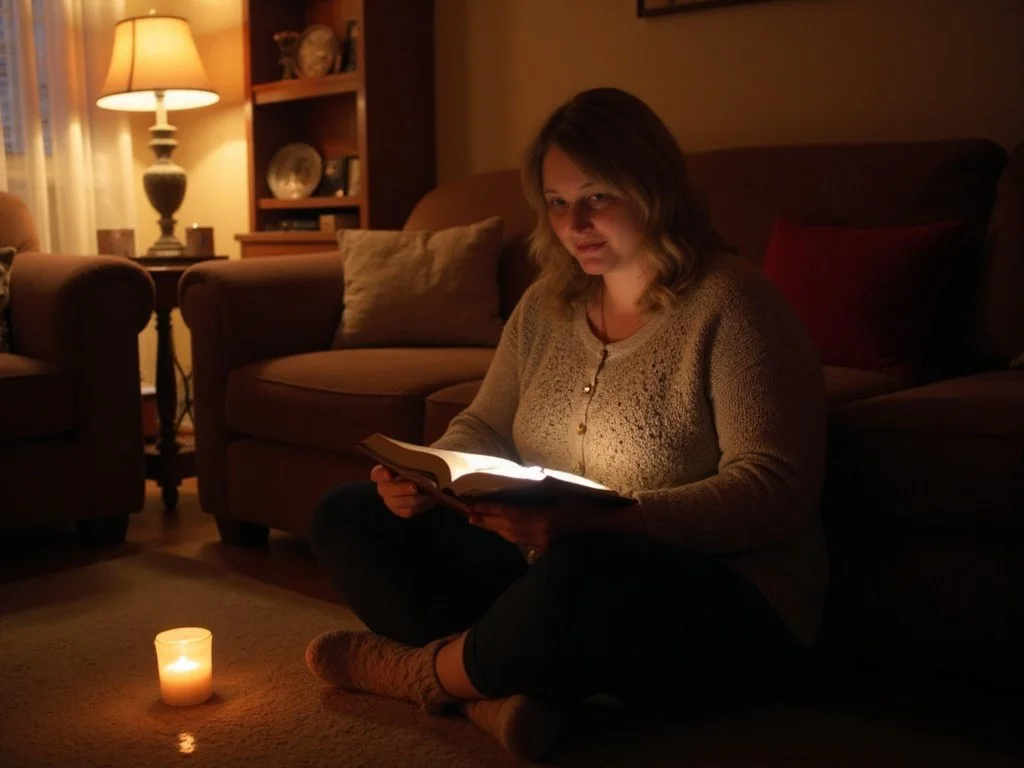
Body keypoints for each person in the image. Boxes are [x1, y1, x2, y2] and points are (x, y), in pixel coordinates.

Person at [304, 87, 827, 760]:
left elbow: (776, 491)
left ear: (652, 186)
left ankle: (424, 676)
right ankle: (503, 685)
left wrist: (613, 522)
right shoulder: (546, 306)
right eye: (556, 203)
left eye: (597, 197)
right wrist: (427, 474)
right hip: (552, 568)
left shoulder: (733, 304)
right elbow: (485, 427)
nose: (573, 222)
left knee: (582, 573)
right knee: (347, 515)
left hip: (725, 600)